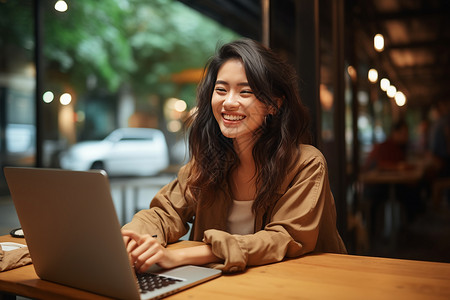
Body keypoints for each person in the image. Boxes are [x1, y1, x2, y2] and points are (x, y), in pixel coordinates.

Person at [121, 38, 347, 274]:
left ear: (274, 104)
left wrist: (182, 255)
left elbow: (284, 238)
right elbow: (163, 212)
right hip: (225, 285)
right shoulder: (208, 161)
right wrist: (134, 239)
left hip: (303, 284)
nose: (228, 102)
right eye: (221, 90)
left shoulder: (307, 164)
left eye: (245, 91)